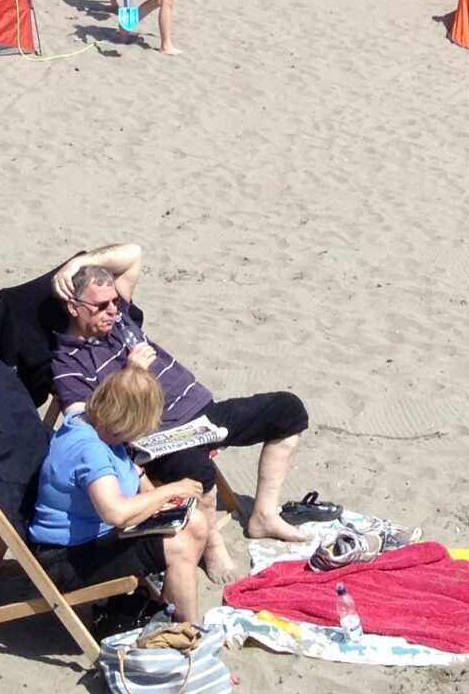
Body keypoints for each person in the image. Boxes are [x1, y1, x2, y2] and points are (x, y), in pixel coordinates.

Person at [50, 246, 312, 580]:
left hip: (202, 413)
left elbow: (132, 254)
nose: (112, 311)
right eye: (101, 306)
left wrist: (81, 261)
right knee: (198, 471)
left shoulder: (119, 319)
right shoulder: (67, 364)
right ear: (74, 307)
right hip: (156, 439)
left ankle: (263, 515)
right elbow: (92, 429)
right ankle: (213, 548)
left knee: (287, 411)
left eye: (114, 301)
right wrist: (131, 376)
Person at [29, 366, 210, 621]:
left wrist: (153, 491)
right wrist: (172, 490)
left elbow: (128, 471)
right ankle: (189, 628)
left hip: (98, 536)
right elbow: (115, 513)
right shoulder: (89, 450)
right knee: (178, 546)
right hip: (68, 559)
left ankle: (163, 611)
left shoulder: (89, 421)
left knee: (198, 523)